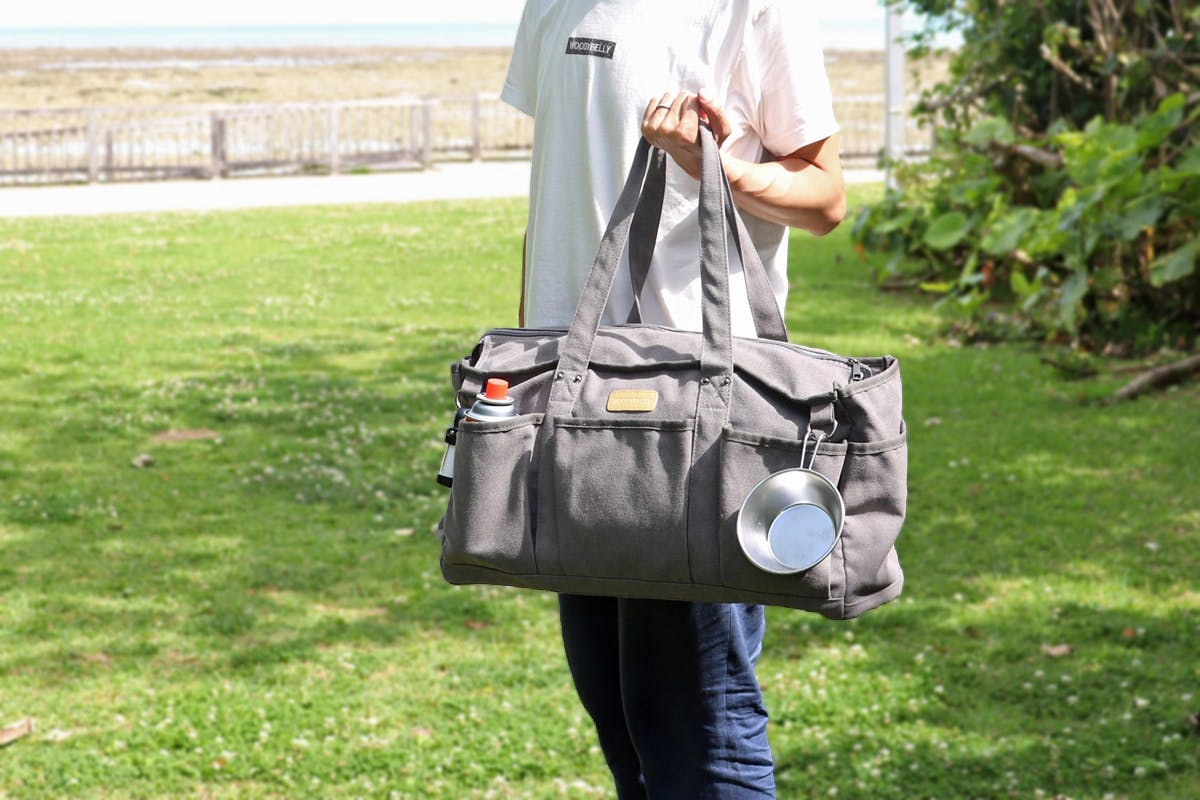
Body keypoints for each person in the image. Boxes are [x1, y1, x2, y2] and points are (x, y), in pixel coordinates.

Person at [500, 2, 846, 796]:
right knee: (620, 716)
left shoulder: (750, 8)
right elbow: (556, 199)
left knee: (698, 729)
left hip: (691, 418)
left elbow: (825, 197)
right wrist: (528, 378)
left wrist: (713, 165)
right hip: (572, 403)